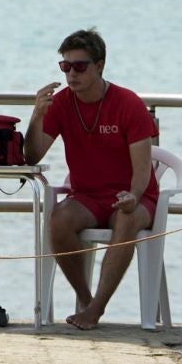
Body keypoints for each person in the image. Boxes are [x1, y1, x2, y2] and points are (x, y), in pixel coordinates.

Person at [23, 29, 159, 330]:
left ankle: (96, 309)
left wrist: (133, 196)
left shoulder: (128, 103)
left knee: (126, 219)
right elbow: (32, 157)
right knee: (58, 219)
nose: (72, 74)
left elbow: (143, 170)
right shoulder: (59, 103)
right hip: (87, 196)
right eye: (65, 66)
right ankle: (85, 299)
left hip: (135, 195)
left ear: (99, 66)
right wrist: (36, 116)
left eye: (80, 66)